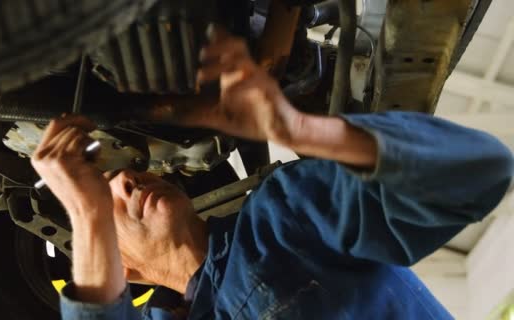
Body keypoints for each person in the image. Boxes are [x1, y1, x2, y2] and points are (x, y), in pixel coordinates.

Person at [31, 28, 514, 320]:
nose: (124, 181)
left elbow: (477, 173)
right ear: (128, 272)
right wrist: (87, 215)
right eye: (109, 197)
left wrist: (298, 127)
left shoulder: (285, 219)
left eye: (120, 179)